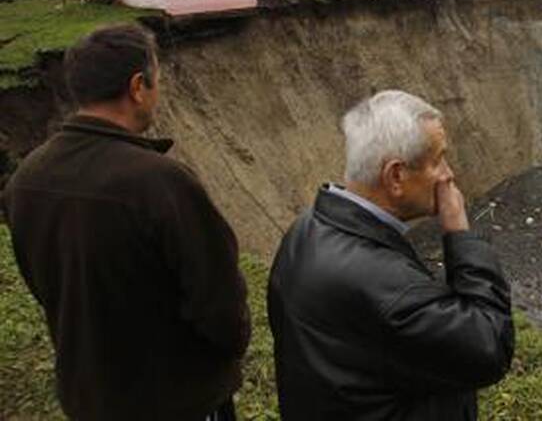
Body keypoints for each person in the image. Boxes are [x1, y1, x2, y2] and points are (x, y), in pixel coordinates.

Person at [2, 24, 250, 421]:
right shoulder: (161, 183)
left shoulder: (25, 180)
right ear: (138, 86)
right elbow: (221, 310)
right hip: (175, 401)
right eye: (157, 81)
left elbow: (44, 285)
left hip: (88, 398)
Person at [268, 90, 514, 420]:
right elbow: (489, 347)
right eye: (438, 160)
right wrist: (460, 235)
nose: (448, 174)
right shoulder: (391, 291)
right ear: (396, 176)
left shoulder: (304, 231)